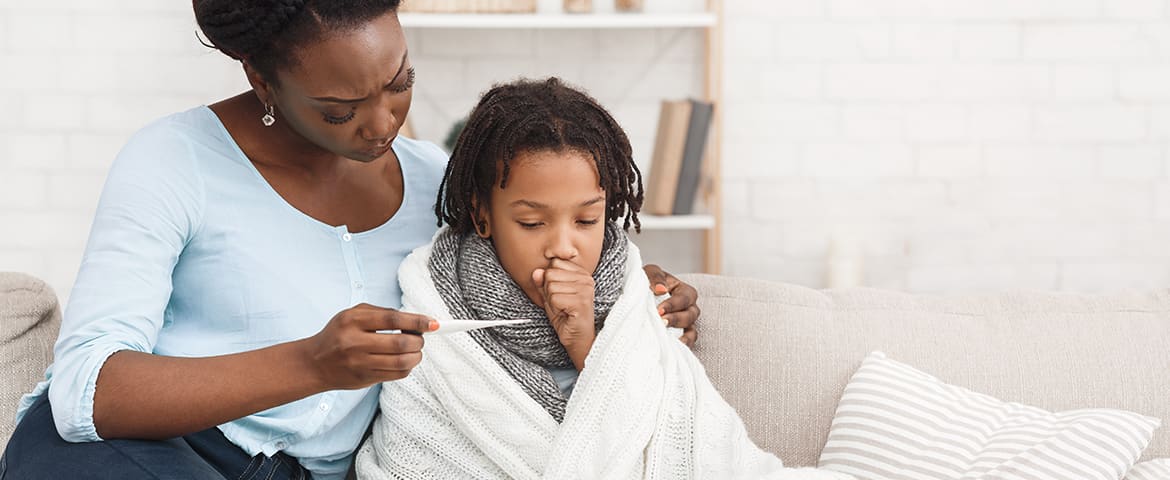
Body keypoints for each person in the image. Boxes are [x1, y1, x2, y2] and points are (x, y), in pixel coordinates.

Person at [0, 3, 700, 479]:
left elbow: (537, 278)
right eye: (338, 110)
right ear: (261, 79)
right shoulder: (174, 160)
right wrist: (311, 362)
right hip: (148, 458)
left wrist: (631, 294)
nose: (380, 124)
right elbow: (87, 391)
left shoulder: (444, 188)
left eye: (399, 83)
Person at [355, 78, 853, 480]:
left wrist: (584, 340)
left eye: (587, 220)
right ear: (482, 215)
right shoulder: (432, 306)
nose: (564, 245)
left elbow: (683, 447)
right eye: (531, 223)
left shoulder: (636, 297)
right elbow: (413, 453)